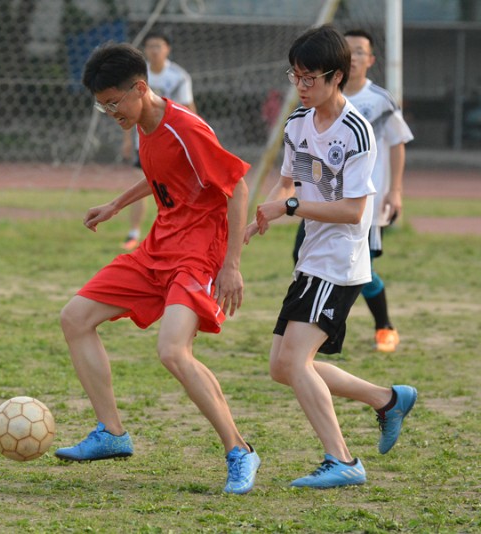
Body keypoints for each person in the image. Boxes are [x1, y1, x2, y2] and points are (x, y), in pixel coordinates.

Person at [57, 42, 260, 495]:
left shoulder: (187, 127)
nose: (110, 112)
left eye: (113, 103)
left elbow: (239, 187)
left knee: (172, 351)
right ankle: (112, 433)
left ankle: (240, 451)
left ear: (140, 88)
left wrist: (232, 266)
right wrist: (115, 205)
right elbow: (161, 175)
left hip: (199, 251)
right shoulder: (142, 122)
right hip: (159, 245)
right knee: (75, 317)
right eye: (101, 105)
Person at [245, 25, 416, 489]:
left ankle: (342, 461)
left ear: (335, 77)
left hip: (339, 262)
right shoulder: (299, 122)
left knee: (296, 363)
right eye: (294, 76)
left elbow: (352, 210)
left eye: (308, 78)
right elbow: (290, 182)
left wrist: (290, 206)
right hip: (311, 256)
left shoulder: (357, 129)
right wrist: (258, 217)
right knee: (282, 366)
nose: (300, 86)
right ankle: (386, 399)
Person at [291, 28, 414, 353]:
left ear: (369, 60)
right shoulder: (311, 105)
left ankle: (382, 325)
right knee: (301, 256)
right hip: (321, 202)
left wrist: (396, 190)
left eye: (361, 51)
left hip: (360, 203)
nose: (355, 55)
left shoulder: (377, 101)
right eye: (350, 49)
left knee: (362, 269)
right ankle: (321, 327)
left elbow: (398, 143)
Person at [120, 30, 196, 251]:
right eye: (150, 46)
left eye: (158, 46)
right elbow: (128, 111)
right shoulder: (137, 76)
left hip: (171, 144)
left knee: (172, 192)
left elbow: (189, 109)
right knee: (138, 186)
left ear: (167, 49)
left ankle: (175, 233)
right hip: (143, 143)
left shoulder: (179, 77)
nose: (154, 51)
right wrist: (127, 140)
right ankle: (133, 233)